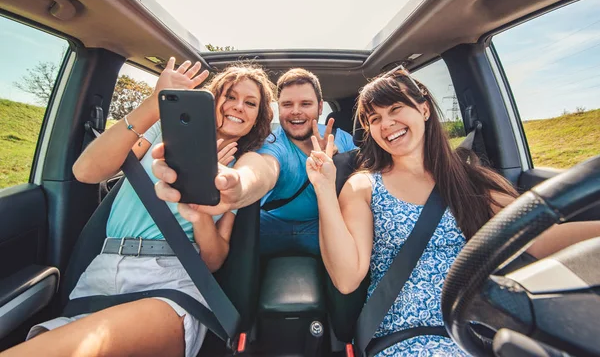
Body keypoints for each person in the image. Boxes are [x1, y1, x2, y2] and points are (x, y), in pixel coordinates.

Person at [305, 67, 600, 356]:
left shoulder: (469, 181)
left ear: (424, 109)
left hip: (479, 331)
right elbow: (347, 278)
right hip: (408, 337)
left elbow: (536, 234)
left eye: (396, 109)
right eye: (375, 118)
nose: (387, 124)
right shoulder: (364, 186)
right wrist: (324, 188)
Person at [1, 58, 275, 357]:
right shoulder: (162, 130)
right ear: (213, 98)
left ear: (258, 117)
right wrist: (152, 104)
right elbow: (85, 172)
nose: (238, 107)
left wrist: (197, 205)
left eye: (250, 103)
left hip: (172, 280)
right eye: (231, 96)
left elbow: (214, 260)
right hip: (100, 276)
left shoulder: (237, 165)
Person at [154, 68, 356, 256]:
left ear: (320, 107)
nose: (296, 111)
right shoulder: (272, 144)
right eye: (287, 104)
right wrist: (236, 187)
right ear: (279, 108)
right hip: (271, 227)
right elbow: (261, 169)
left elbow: (369, 173)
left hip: (321, 225)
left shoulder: (341, 138)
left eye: (305, 104)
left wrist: (339, 161)